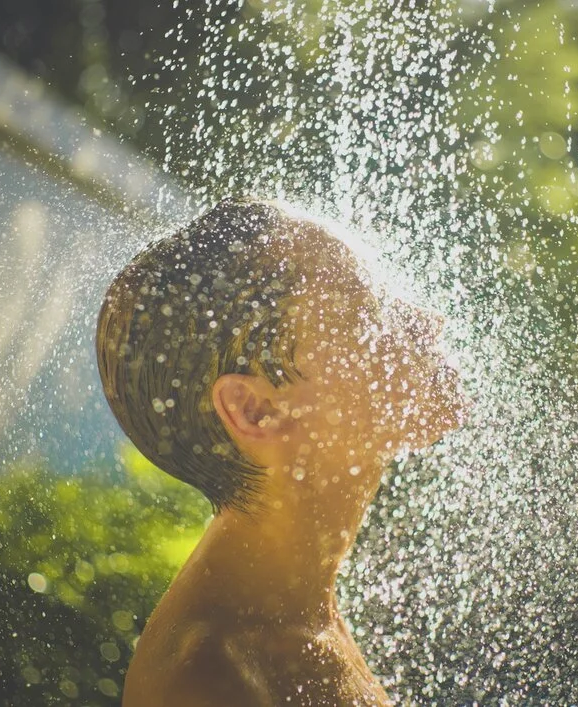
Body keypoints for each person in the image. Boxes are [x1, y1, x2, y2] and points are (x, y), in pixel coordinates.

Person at [96, 197, 465, 706]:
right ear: (255, 411)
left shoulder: (297, 614)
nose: (429, 322)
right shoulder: (211, 684)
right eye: (369, 311)